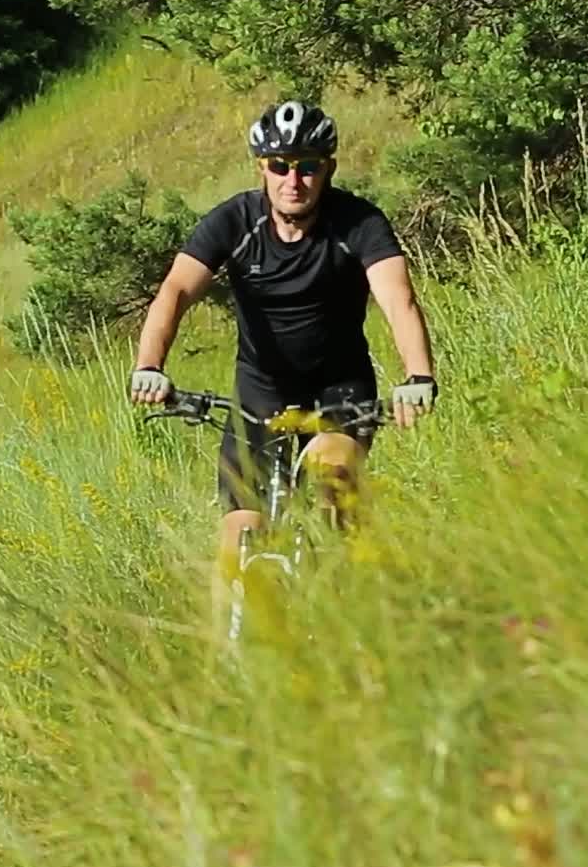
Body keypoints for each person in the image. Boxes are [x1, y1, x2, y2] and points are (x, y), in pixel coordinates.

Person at [128, 100, 436, 571]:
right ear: (262, 169)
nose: (294, 181)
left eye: (308, 166)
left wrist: (418, 376)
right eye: (280, 166)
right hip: (260, 390)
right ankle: (230, 642)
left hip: (339, 390)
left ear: (328, 168)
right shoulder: (235, 221)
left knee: (332, 476)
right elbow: (174, 292)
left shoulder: (358, 223)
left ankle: (355, 593)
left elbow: (398, 300)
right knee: (239, 533)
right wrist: (149, 367)